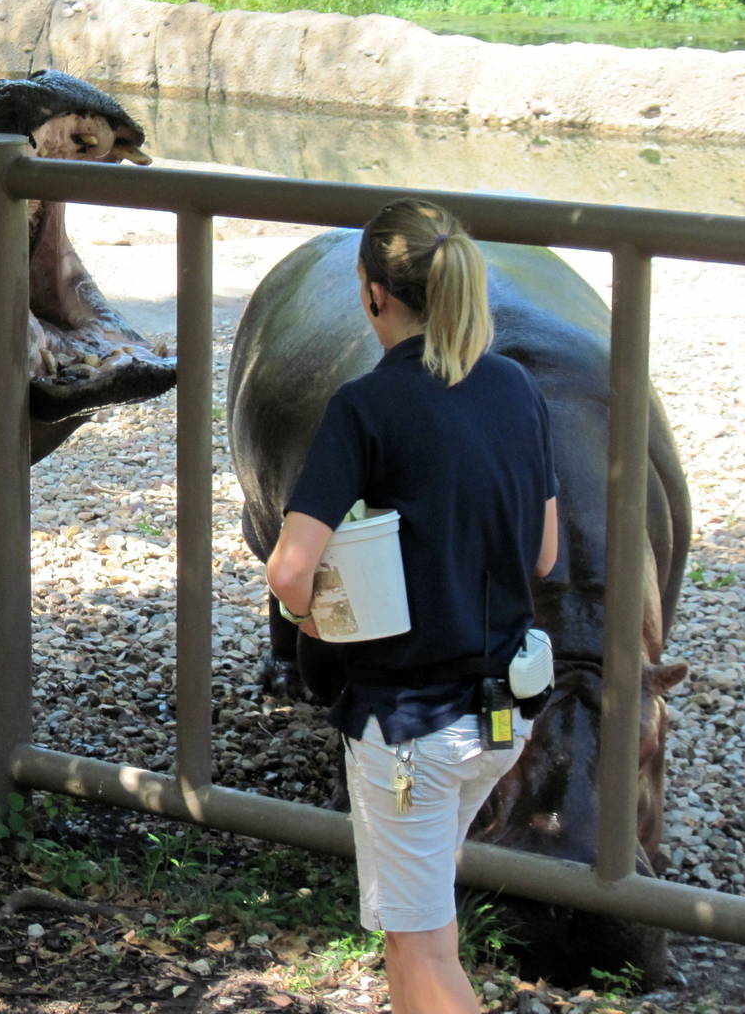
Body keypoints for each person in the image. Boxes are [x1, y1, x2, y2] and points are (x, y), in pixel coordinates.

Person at [265, 198, 559, 1014]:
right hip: (504, 716)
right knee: (422, 931)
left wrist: (314, 618)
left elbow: (290, 574)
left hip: (410, 732)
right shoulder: (515, 389)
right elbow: (542, 554)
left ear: (370, 295)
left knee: (422, 948)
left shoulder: (365, 408)